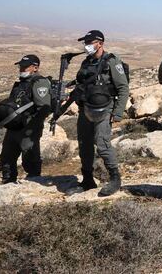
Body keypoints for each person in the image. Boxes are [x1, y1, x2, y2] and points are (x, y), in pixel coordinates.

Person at [68, 30, 129, 197]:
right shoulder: (86, 63)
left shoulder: (112, 61)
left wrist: (117, 113)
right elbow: (81, 84)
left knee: (102, 143)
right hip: (86, 109)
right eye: (85, 42)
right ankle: (87, 180)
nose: (87, 45)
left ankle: (115, 179)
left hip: (105, 109)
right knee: (84, 144)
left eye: (90, 42)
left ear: (100, 43)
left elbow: (123, 87)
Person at [0, 55, 52, 183]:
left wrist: (32, 128)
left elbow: (44, 108)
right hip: (14, 127)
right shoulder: (20, 83)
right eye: (20, 66)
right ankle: (8, 182)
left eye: (25, 67)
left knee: (30, 158)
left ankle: (33, 182)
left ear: (35, 67)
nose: (21, 69)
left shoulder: (39, 82)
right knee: (6, 157)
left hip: (28, 128)